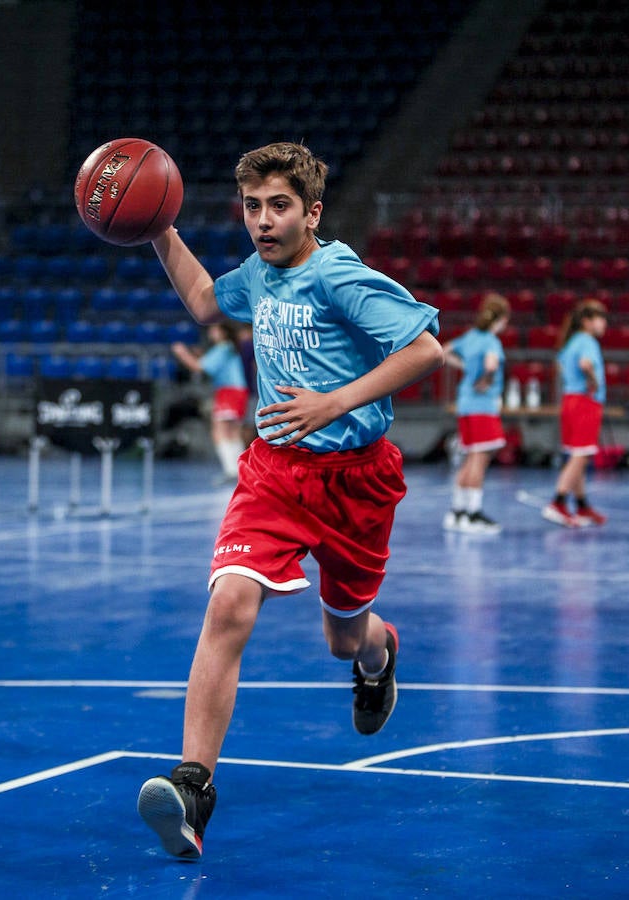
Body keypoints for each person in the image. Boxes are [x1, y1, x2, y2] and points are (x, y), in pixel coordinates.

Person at [136, 142, 444, 861]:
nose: (263, 222)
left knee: (343, 637)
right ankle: (192, 786)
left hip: (357, 480)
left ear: (312, 212)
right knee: (229, 602)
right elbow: (207, 301)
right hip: (274, 472)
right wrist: (158, 229)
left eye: (279, 207)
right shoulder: (257, 275)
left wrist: (333, 402)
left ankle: (377, 652)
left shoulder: (337, 275)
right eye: (251, 207)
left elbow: (425, 349)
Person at [441, 292, 510, 534]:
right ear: (500, 319)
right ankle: (473, 513)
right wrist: (485, 379)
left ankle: (457, 512)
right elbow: (491, 364)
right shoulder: (491, 341)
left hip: (465, 405)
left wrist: (466, 368)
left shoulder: (470, 337)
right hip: (483, 406)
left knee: (470, 458)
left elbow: (443, 351)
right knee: (479, 460)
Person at [542, 298, 608, 528]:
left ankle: (582, 505)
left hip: (569, 400)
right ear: (587, 321)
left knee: (577, 455)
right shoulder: (587, 341)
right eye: (600, 319)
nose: (604, 324)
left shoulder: (569, 342)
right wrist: (594, 382)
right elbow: (586, 364)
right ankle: (558, 502)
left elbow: (561, 365)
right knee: (581, 455)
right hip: (585, 401)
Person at [171, 319, 249, 480]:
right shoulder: (229, 348)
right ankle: (240, 471)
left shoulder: (222, 348)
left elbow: (198, 367)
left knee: (219, 432)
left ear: (223, 332)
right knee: (233, 432)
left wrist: (182, 353)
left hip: (228, 392)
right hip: (239, 391)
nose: (210, 333)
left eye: (214, 330)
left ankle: (231, 471)